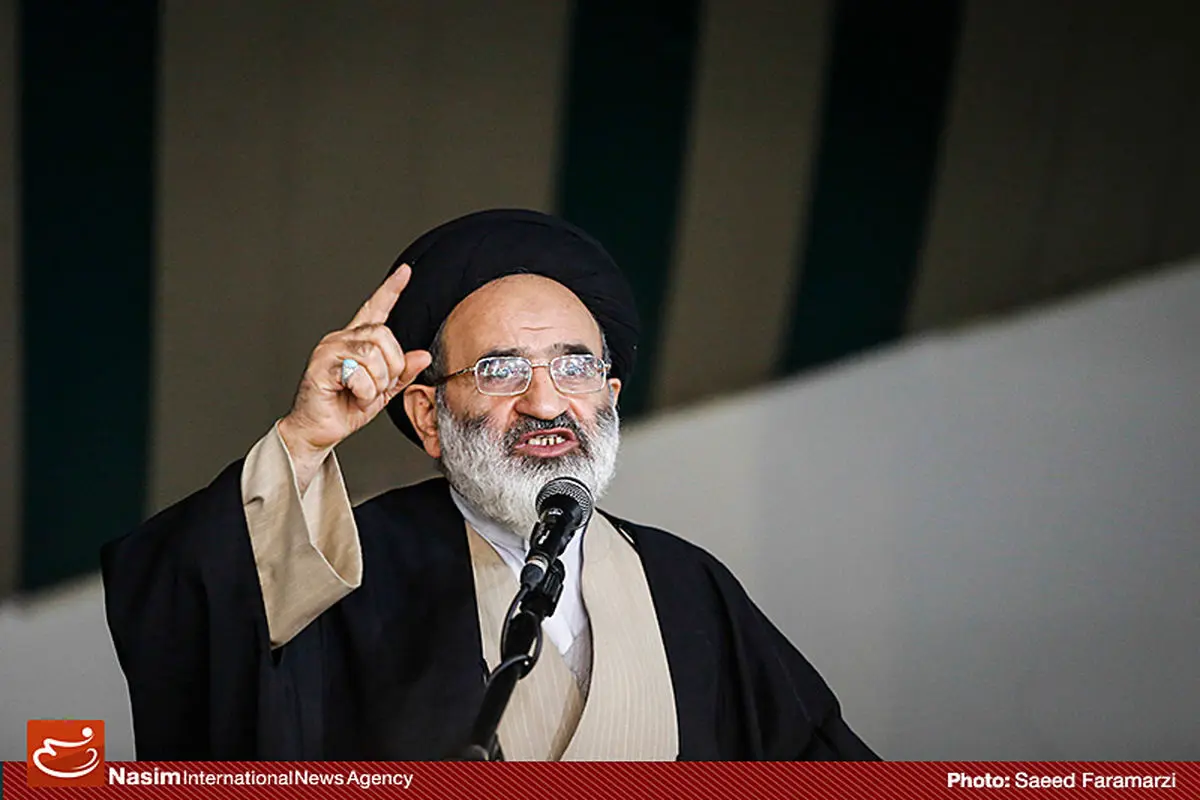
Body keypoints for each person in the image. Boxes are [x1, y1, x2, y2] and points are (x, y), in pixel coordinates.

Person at [101, 209, 877, 761]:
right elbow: (191, 623)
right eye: (501, 370)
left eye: (575, 367)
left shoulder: (686, 585)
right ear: (429, 417)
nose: (546, 402)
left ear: (609, 396)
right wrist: (304, 439)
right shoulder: (349, 570)